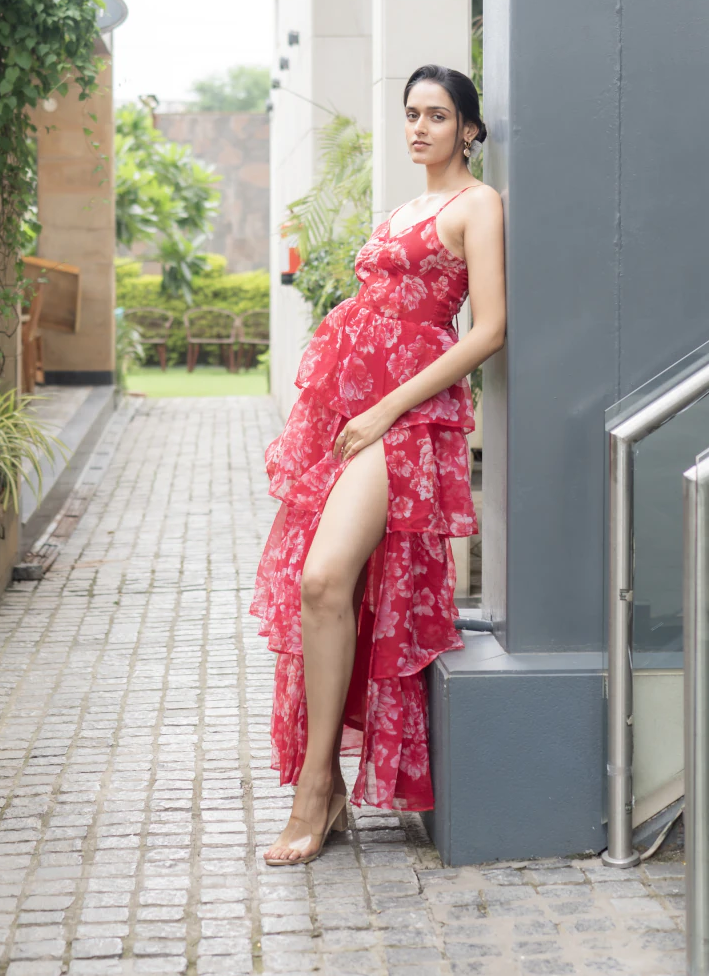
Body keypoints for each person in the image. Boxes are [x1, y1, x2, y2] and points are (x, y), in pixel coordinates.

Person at [254, 64, 506, 865]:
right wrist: (347, 403)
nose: (420, 128)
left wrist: (384, 409)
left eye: (438, 115)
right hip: (353, 409)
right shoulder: (405, 207)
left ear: (469, 127)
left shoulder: (478, 205)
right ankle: (320, 782)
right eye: (412, 114)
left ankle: (318, 789)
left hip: (401, 419)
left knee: (325, 580)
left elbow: (488, 329)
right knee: (325, 586)